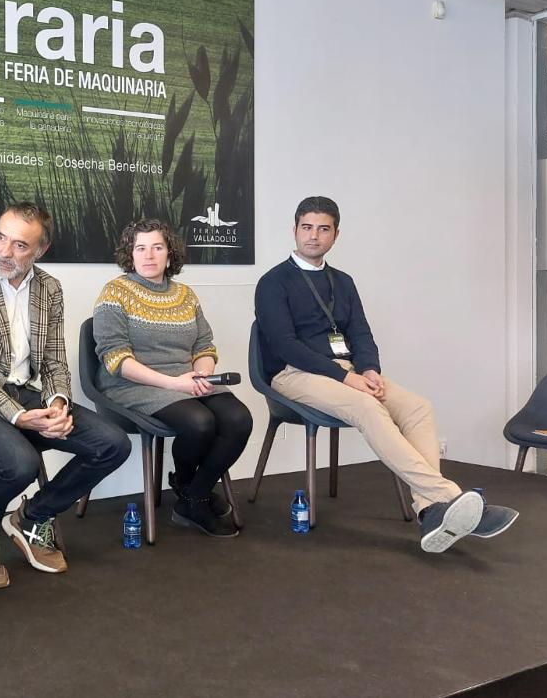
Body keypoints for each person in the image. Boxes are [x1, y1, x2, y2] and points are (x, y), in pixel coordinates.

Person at [254, 196, 518, 553]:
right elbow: (285, 345)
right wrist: (347, 379)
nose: (314, 236)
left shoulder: (343, 282)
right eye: (307, 227)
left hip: (347, 372)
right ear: (295, 230)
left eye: (323, 228)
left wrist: (369, 370)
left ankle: (430, 511)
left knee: (418, 407)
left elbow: (361, 334)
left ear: (336, 234)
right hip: (293, 374)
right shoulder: (274, 282)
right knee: (367, 408)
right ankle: (448, 496)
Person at [0, 202, 131, 588]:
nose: (4, 251)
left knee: (112, 444)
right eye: (1, 237)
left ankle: (32, 517)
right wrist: (17, 417)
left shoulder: (50, 289)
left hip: (23, 393)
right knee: (19, 462)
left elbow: (54, 362)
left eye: (20, 245)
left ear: (40, 250)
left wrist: (56, 404)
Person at [93, 219, 252, 537]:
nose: (149, 255)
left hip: (187, 380)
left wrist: (204, 374)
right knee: (200, 422)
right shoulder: (115, 292)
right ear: (130, 254)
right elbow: (115, 358)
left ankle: (193, 493)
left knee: (238, 419)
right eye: (140, 248)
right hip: (133, 384)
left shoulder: (186, 295)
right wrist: (175, 383)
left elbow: (204, 345)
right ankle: (192, 490)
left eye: (157, 247)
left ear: (170, 253)